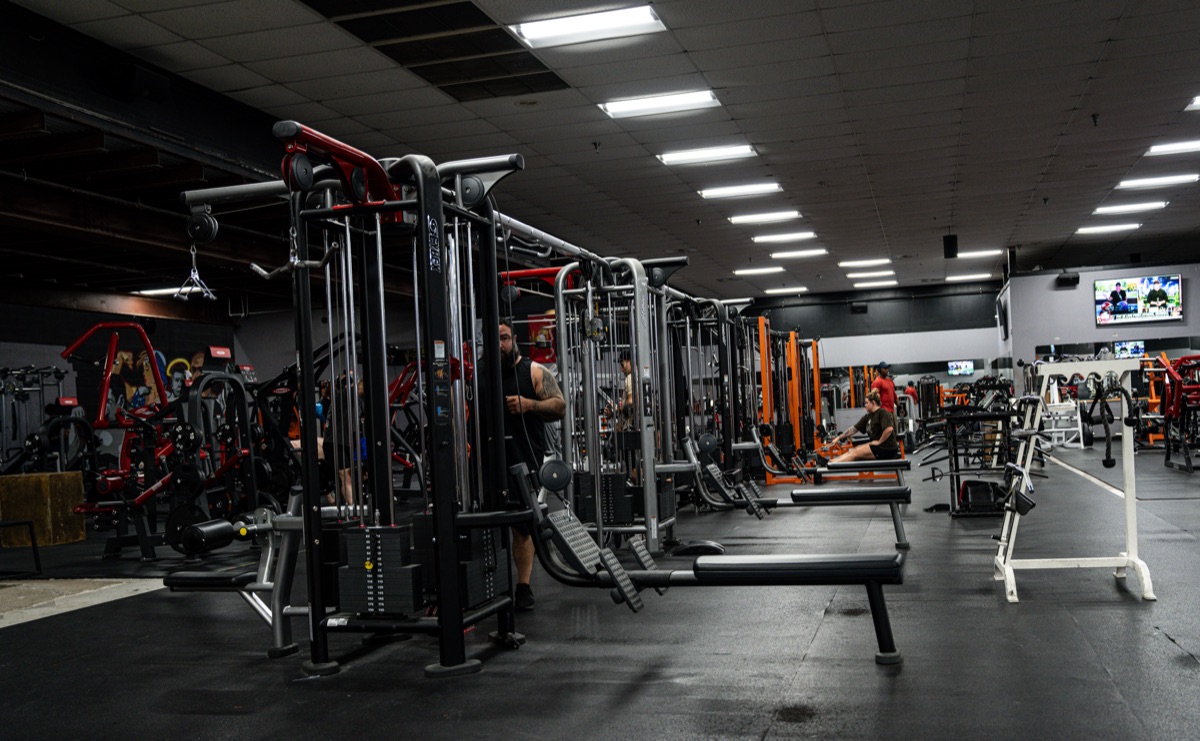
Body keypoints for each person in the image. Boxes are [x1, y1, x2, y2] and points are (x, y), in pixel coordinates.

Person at [499, 319, 566, 611]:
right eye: (493, 339)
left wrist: (529, 405)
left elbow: (559, 406)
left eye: (503, 338)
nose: (499, 345)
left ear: (514, 339)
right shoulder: (479, 374)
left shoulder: (533, 371)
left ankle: (523, 586)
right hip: (488, 461)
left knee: (522, 529)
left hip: (523, 459)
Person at [827, 389, 899, 462]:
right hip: (877, 447)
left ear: (873, 403)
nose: (865, 405)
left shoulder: (883, 413)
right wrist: (838, 438)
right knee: (854, 450)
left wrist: (879, 441)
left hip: (887, 449)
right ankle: (831, 461)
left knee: (856, 453)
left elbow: (889, 429)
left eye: (866, 403)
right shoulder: (868, 416)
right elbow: (854, 429)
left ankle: (833, 463)